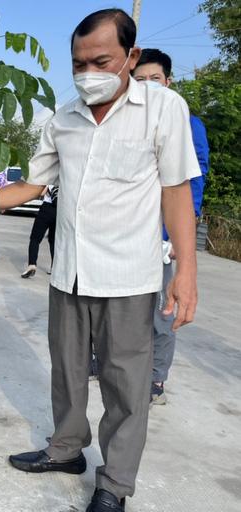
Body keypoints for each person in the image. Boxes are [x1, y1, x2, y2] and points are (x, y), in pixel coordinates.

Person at [0, 9, 199, 512]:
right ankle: (66, 449)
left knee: (125, 384)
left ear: (131, 57)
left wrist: (187, 273)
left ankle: (114, 484)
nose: (88, 73)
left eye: (100, 60)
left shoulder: (163, 108)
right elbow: (31, 185)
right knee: (66, 370)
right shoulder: (64, 118)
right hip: (68, 269)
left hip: (129, 274)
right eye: (78, 64)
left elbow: (175, 191)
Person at [132, 48, 209, 406]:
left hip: (161, 236)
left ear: (169, 81)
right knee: (119, 308)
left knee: (162, 312)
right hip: (127, 233)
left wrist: (179, 237)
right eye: (140, 80)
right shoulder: (126, 120)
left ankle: (156, 378)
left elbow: (192, 182)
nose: (148, 87)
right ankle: (108, 362)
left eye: (155, 80)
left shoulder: (187, 124)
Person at [21, 185, 58, 278]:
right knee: (53, 241)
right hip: (58, 211)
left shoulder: (50, 180)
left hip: (46, 209)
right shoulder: (65, 181)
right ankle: (54, 268)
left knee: (35, 239)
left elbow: (41, 193)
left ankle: (32, 265)